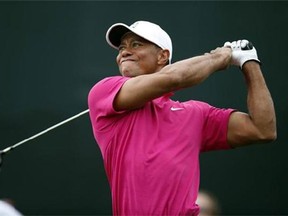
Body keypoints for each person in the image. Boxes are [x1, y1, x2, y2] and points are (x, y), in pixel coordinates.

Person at [88, 20, 276, 215]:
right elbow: (174, 78)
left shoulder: (196, 114)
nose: (124, 53)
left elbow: (263, 129)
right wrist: (222, 55)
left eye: (136, 44)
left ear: (163, 56)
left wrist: (249, 62)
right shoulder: (104, 91)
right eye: (121, 48)